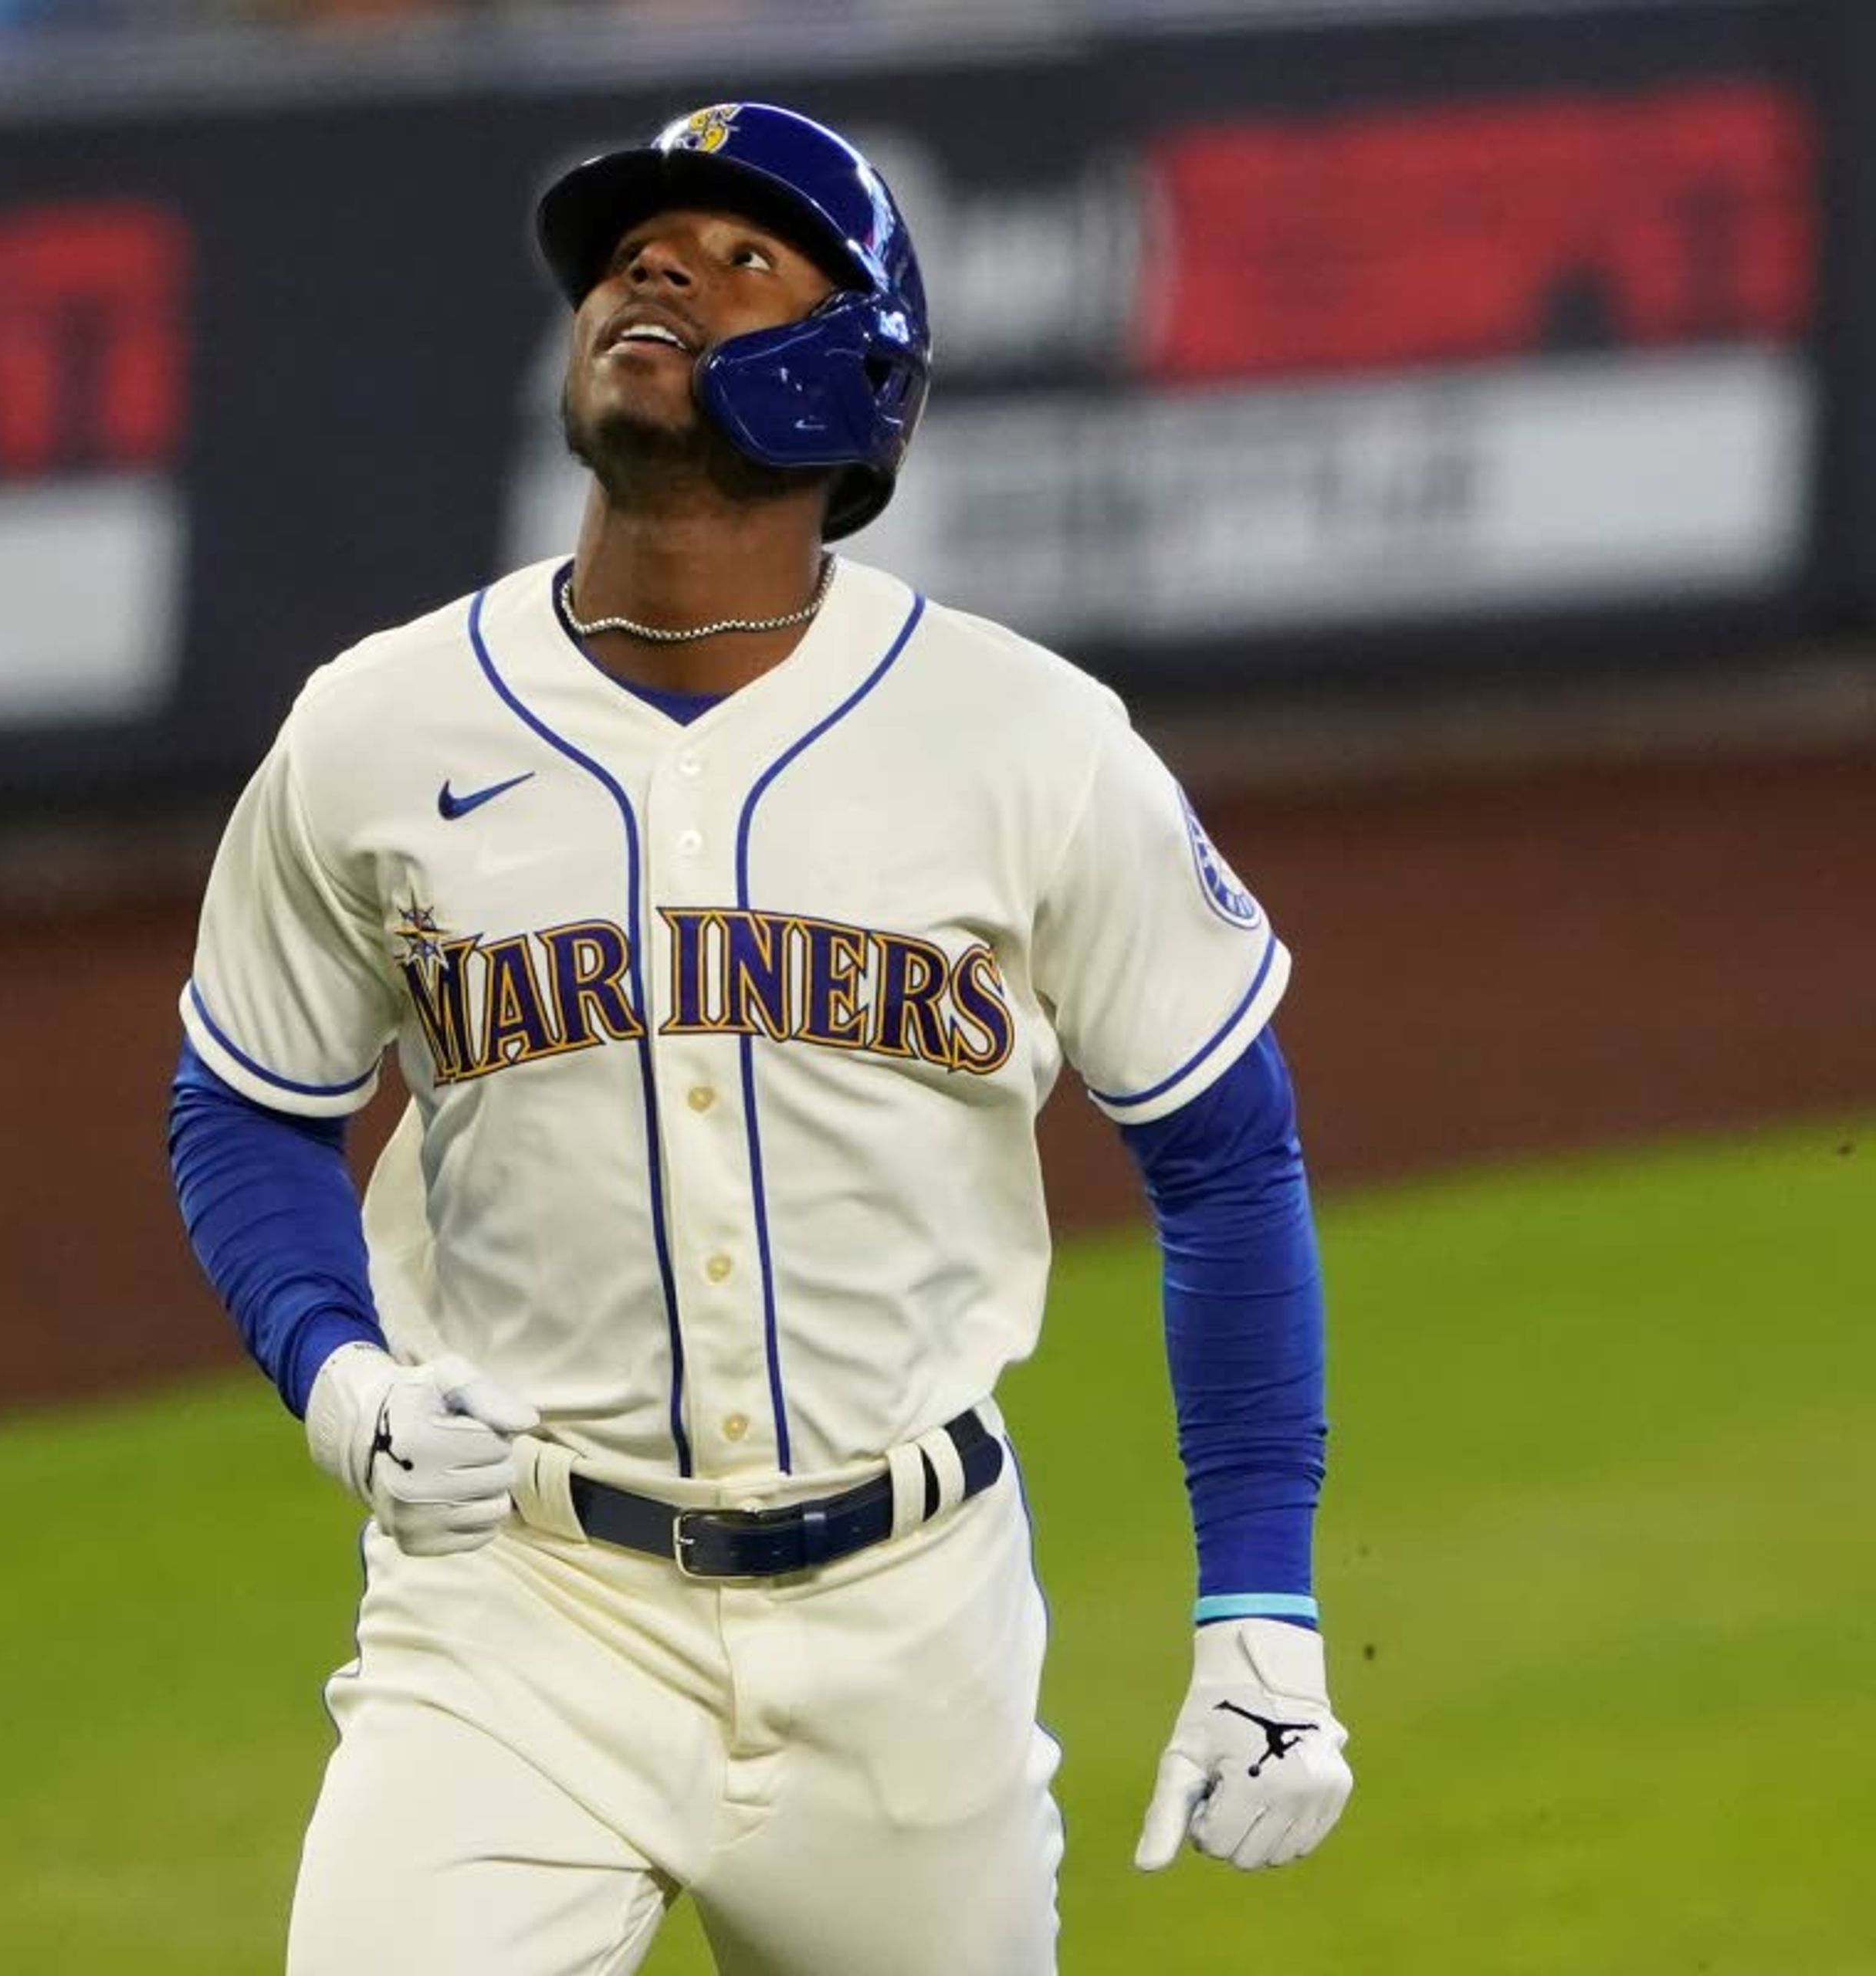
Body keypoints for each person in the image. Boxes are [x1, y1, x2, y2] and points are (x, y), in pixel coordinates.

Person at [165, 101, 1352, 1974]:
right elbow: (245, 1101)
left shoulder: (1023, 737)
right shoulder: (376, 725)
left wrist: (1263, 1601)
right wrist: (345, 1379)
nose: (659, 272)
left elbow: (1224, 1146)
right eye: (640, 254)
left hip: (913, 1641)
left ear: (854, 376)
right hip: (517, 1620)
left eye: (742, 262)